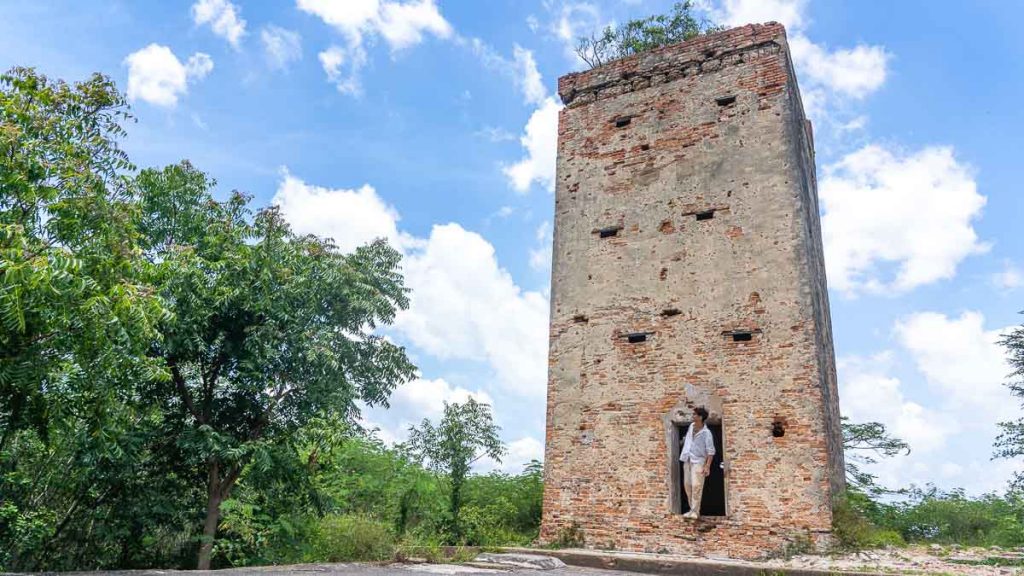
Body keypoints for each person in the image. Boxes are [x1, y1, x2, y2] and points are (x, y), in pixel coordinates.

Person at [679, 406, 715, 519]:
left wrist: (707, 466)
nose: (692, 416)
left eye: (695, 414)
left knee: (696, 486)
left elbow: (711, 451)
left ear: (700, 417)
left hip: (699, 461)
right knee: (687, 485)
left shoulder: (706, 433)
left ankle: (695, 511)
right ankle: (691, 509)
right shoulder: (691, 426)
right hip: (688, 460)